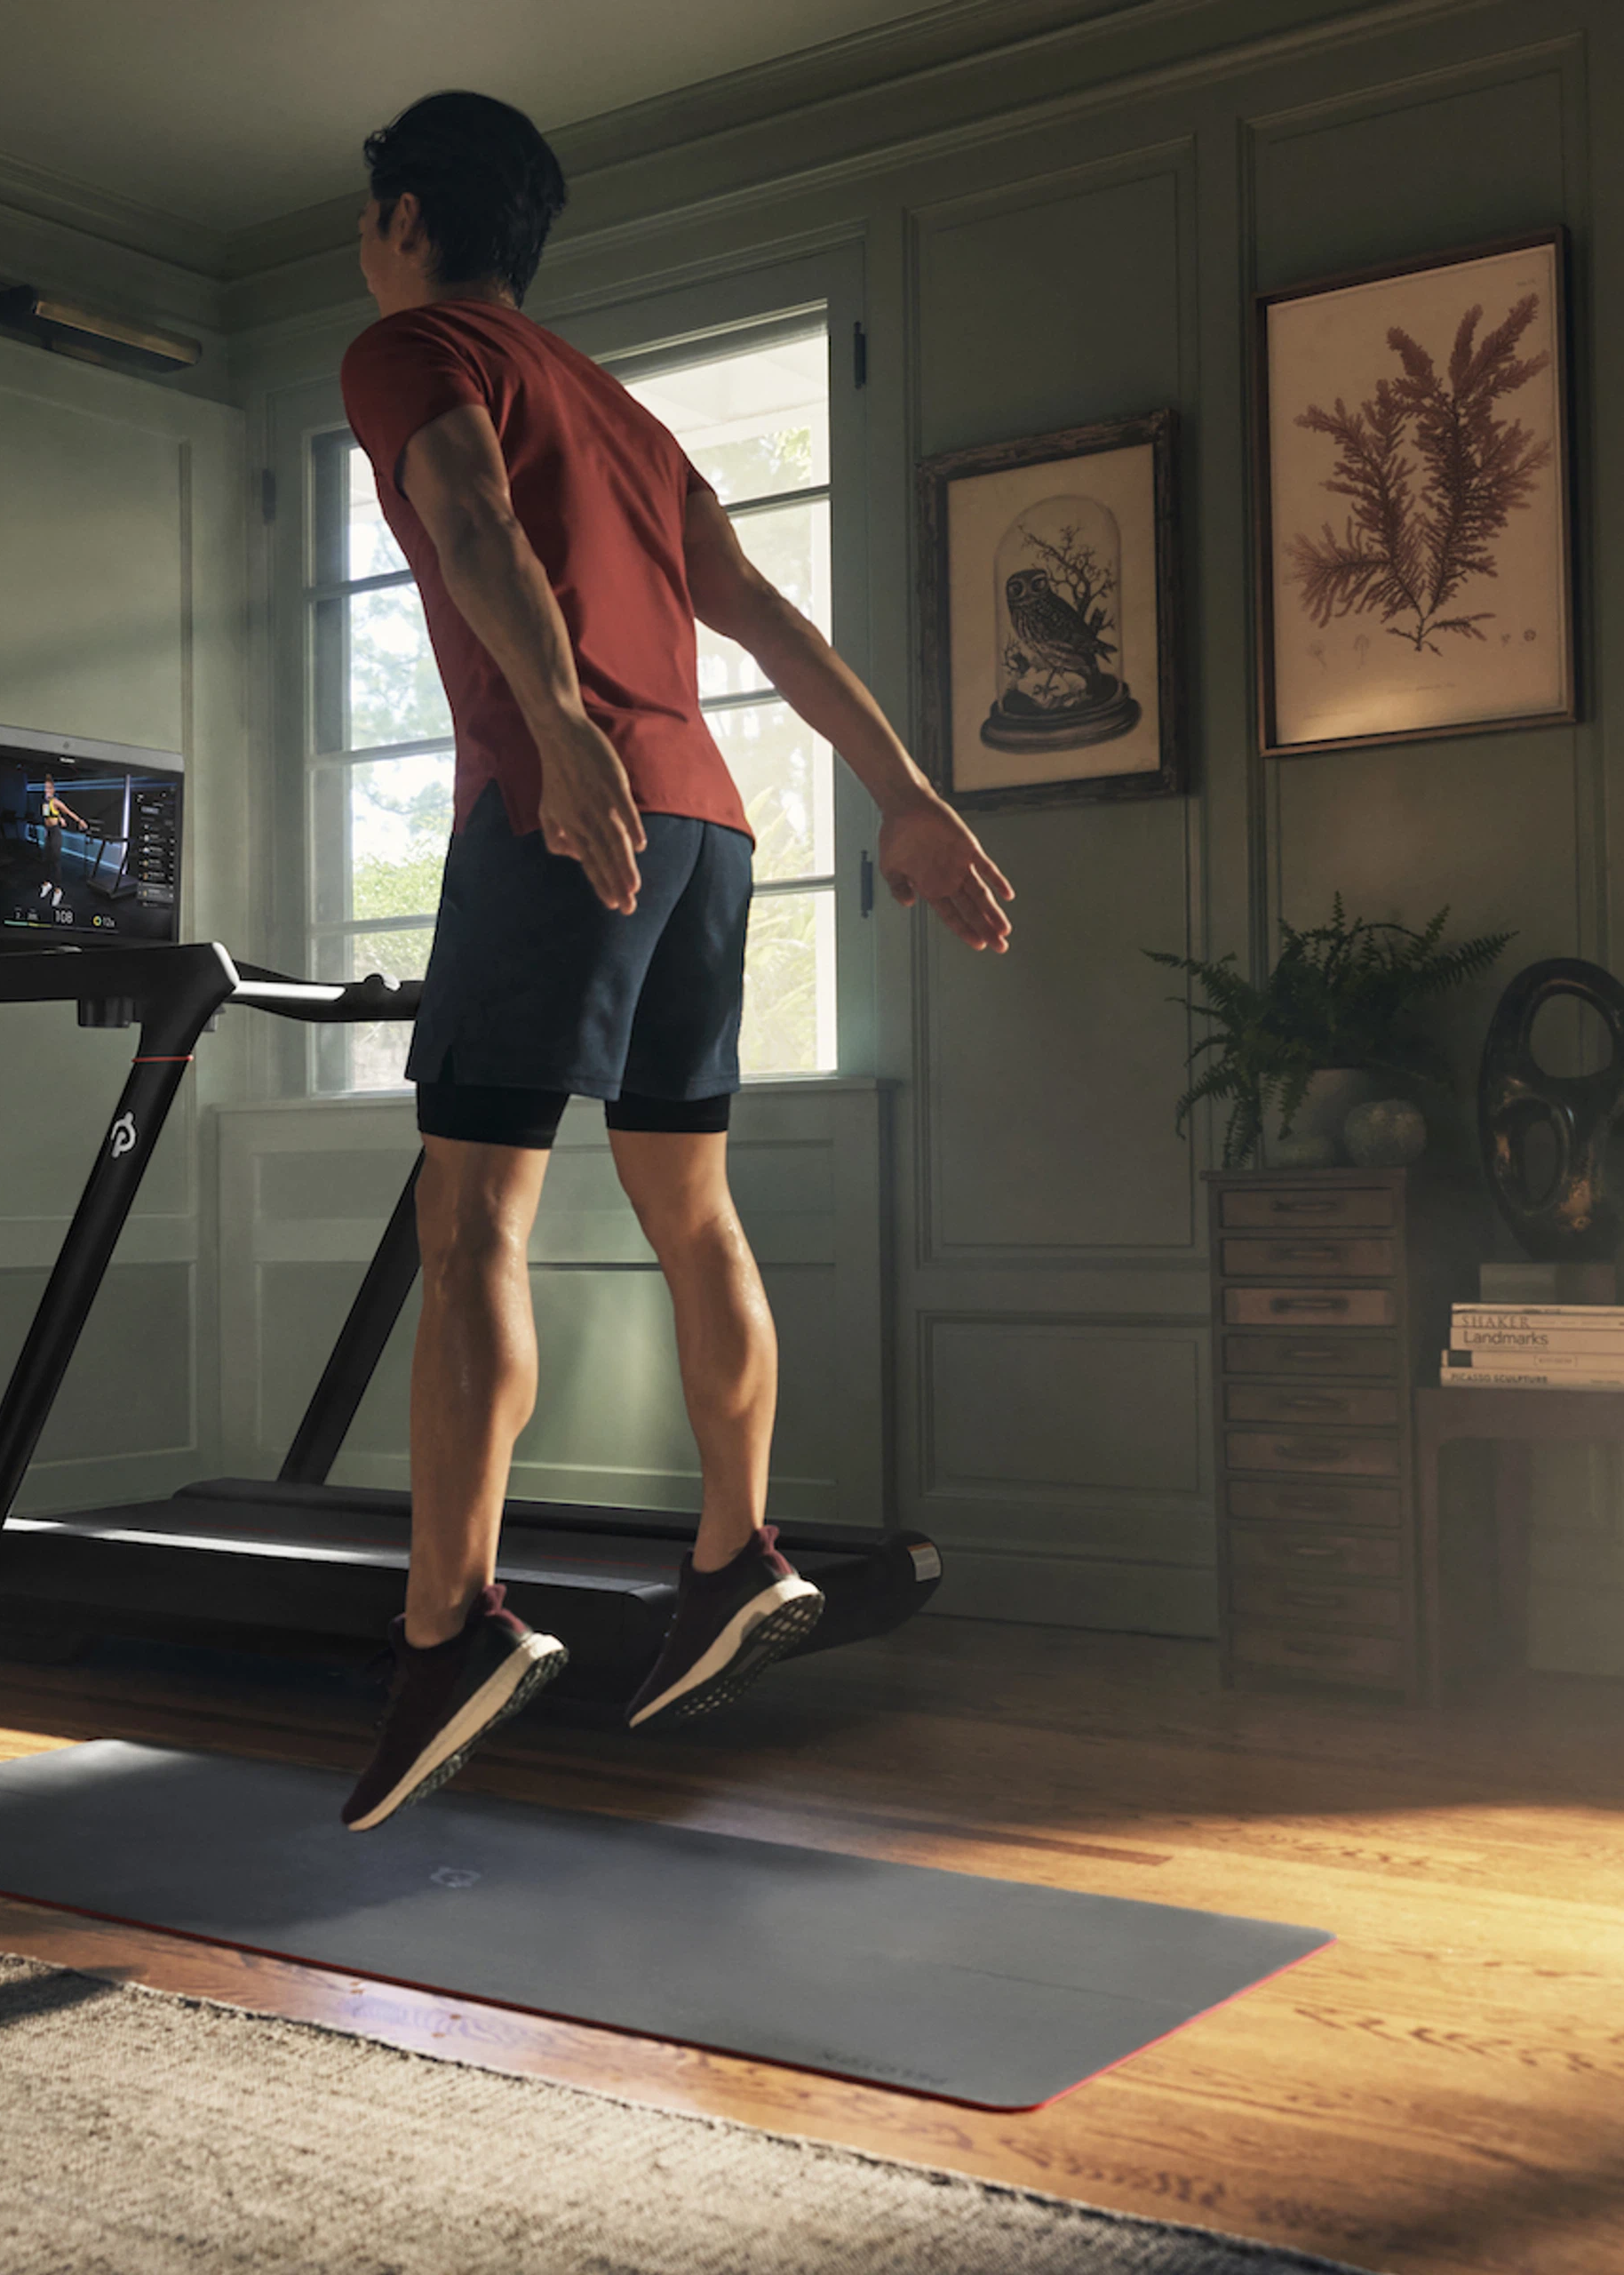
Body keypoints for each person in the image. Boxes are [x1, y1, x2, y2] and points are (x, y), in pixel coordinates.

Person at [333, 92, 1015, 1832]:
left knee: (472, 1219)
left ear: (406, 216)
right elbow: (770, 620)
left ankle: (447, 1624)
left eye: (373, 219)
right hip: (709, 829)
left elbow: (472, 520)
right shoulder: (627, 418)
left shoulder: (412, 347)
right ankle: (734, 1553)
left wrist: (559, 733)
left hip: (565, 815)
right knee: (688, 1206)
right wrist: (908, 797)